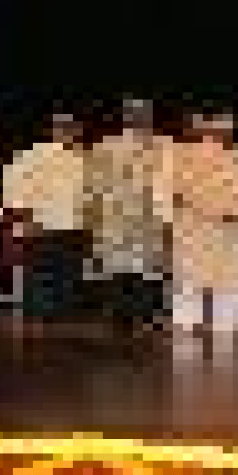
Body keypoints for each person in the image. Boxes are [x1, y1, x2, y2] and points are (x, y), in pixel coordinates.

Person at [157, 111, 238, 337]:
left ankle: (223, 330)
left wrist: (236, 212)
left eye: (219, 130)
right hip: (192, 232)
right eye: (208, 129)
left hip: (230, 233)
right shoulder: (178, 156)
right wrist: (169, 222)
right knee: (188, 285)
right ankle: (187, 329)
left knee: (228, 287)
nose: (213, 135)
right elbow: (165, 195)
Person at [86, 98, 171, 332]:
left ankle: (146, 316)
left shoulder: (164, 145)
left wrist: (166, 216)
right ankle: (120, 317)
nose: (138, 118)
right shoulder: (105, 146)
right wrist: (95, 217)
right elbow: (94, 185)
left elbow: (169, 182)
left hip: (150, 217)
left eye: (142, 114)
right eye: (134, 114)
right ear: (125, 117)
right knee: (119, 268)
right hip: (117, 217)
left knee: (148, 270)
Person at [1, 112, 90, 332]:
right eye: (65, 129)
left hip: (69, 232)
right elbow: (15, 195)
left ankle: (53, 329)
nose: (69, 133)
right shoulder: (32, 158)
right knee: (43, 287)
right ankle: (38, 329)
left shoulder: (83, 160)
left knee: (63, 286)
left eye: (72, 129)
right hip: (43, 230)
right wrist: (21, 223)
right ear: (53, 131)